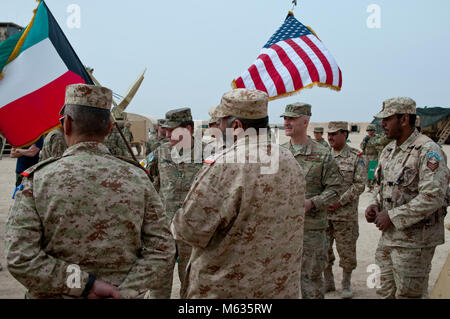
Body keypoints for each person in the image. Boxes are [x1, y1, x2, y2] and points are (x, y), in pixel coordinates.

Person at [5, 84, 175, 299]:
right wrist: (122, 292)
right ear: (109, 128)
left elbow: (20, 257)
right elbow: (162, 250)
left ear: (66, 124)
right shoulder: (138, 178)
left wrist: (83, 285)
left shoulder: (38, 180)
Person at [171, 88, 306, 298]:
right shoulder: (290, 161)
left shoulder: (226, 165)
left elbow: (188, 230)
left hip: (229, 292)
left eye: (221, 122)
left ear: (236, 125)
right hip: (279, 289)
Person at [365, 97, 449, 299]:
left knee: (409, 295)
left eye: (387, 119)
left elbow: (433, 196)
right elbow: (379, 187)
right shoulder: (388, 150)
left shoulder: (428, 151)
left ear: (404, 119)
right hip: (388, 239)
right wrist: (373, 205)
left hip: (415, 243)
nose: (382, 124)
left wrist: (392, 216)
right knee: (384, 291)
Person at [281, 103, 343, 299]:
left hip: (312, 231)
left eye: (291, 119)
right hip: (282, 229)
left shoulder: (323, 154)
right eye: (285, 118)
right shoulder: (278, 153)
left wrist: (313, 203)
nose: (286, 122)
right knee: (282, 280)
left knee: (311, 282)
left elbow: (335, 189)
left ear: (305, 121)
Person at [148, 108, 204, 297]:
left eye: (172, 130)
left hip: (193, 232)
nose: (167, 134)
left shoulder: (209, 155)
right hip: (164, 231)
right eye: (166, 129)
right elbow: (151, 183)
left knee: (191, 287)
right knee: (158, 287)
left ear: (187, 129)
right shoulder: (160, 152)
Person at [324, 121, 366, 299]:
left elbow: (360, 185)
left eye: (334, 134)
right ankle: (328, 280)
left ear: (345, 134)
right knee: (323, 250)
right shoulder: (324, 155)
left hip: (345, 216)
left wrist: (340, 203)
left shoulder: (357, 156)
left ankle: (346, 283)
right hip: (324, 215)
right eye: (329, 134)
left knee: (346, 251)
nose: (330, 137)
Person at [360, 124, 378, 191]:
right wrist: (365, 141)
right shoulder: (366, 138)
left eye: (371, 130)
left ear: (374, 131)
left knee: (372, 171)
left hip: (374, 156)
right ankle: (369, 186)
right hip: (366, 156)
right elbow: (361, 147)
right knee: (366, 171)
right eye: (368, 130)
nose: (369, 132)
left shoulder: (377, 138)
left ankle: (372, 185)